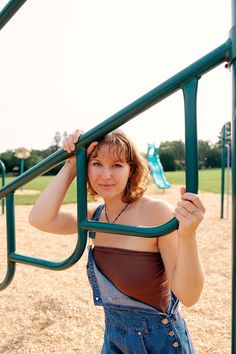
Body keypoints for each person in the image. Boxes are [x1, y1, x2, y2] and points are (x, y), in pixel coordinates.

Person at [29, 129, 205, 354]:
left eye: (117, 165)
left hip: (159, 343)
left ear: (131, 169)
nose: (105, 175)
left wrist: (188, 236)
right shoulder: (95, 216)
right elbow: (40, 219)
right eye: (96, 163)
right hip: (114, 339)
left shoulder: (157, 213)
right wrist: (72, 164)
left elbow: (189, 296)